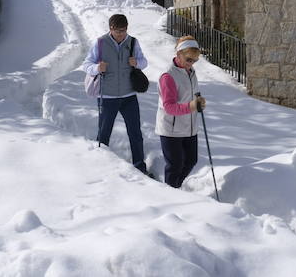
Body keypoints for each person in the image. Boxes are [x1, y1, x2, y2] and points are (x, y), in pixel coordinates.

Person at [82, 13, 150, 175]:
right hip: (107, 96)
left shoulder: (133, 42)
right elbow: (86, 64)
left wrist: (137, 63)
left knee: (135, 133)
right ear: (110, 29)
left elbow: (144, 62)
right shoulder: (100, 43)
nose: (121, 34)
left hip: (129, 95)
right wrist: (97, 68)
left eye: (124, 30)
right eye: (118, 31)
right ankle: (100, 167)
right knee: (104, 133)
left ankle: (140, 167)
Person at [155, 35, 206, 188]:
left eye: (195, 61)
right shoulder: (168, 76)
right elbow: (169, 106)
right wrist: (191, 106)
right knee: (175, 165)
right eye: (189, 59)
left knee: (191, 161)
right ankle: (170, 193)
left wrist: (199, 102)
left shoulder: (190, 72)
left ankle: (175, 187)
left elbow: (192, 93)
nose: (191, 64)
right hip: (171, 129)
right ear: (178, 54)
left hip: (189, 127)